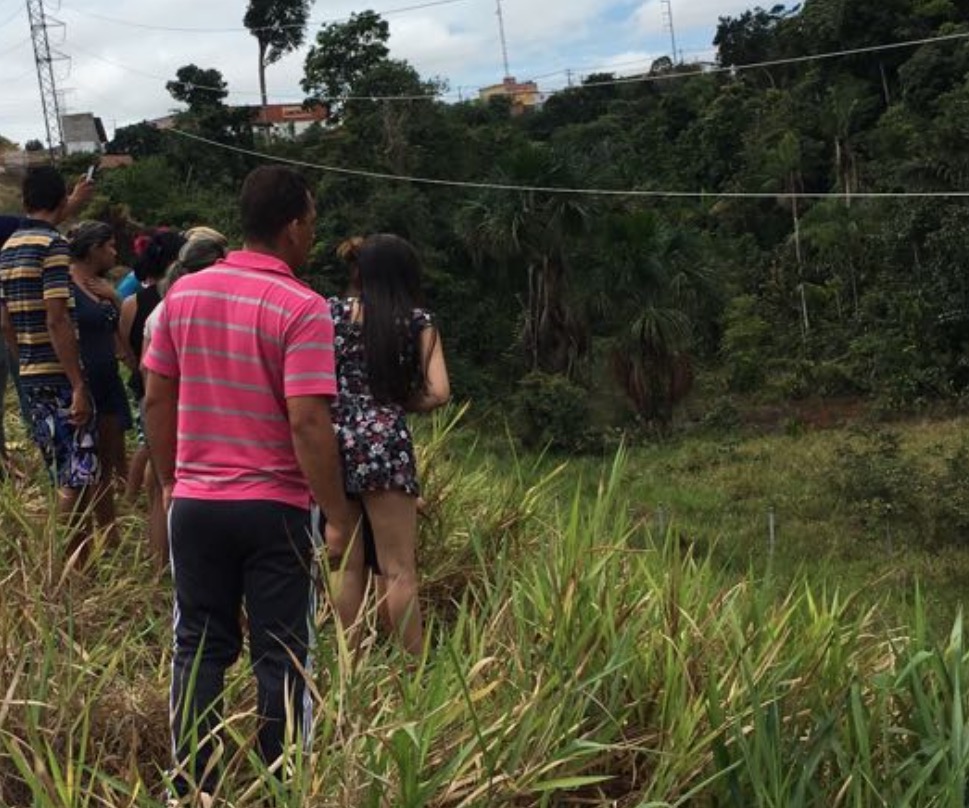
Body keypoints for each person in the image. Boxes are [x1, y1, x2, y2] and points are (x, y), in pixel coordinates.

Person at [143, 165, 354, 800]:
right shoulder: (303, 307)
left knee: (198, 647)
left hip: (198, 505)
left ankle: (194, 788)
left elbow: (156, 398)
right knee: (283, 654)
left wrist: (172, 480)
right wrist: (338, 514)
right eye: (311, 223)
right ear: (293, 226)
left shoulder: (183, 296)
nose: (312, 235)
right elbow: (308, 420)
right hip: (276, 510)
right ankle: (282, 786)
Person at [326, 233, 451, 655]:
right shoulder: (417, 320)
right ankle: (413, 672)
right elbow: (439, 392)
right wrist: (396, 404)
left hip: (333, 441)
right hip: (386, 443)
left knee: (346, 564)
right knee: (399, 570)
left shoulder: (329, 312)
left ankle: (350, 668)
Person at [0, 167, 99, 562]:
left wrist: (24, 359)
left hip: (30, 371)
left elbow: (5, 320)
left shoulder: (6, 249)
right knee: (75, 477)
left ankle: (80, 567)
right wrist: (77, 383)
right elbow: (56, 317)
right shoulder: (54, 246)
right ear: (62, 202)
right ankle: (58, 564)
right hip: (58, 373)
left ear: (25, 202)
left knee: (62, 469)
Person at [140, 230, 228, 570]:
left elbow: (149, 376)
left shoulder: (165, 308)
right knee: (170, 493)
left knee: (165, 494)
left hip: (175, 418)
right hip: (193, 425)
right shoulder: (187, 307)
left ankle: (162, 568)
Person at [68, 221, 134, 539]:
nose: (114, 251)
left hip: (108, 379)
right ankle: (79, 546)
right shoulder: (65, 284)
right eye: (109, 246)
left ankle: (109, 536)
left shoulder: (101, 286)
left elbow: (119, 335)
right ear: (93, 248)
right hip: (82, 383)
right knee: (82, 470)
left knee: (105, 465)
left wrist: (115, 299)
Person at [119, 229, 184, 504]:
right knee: (157, 453)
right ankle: (140, 495)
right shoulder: (176, 303)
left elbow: (124, 346)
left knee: (149, 443)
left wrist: (139, 370)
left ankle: (131, 497)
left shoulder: (132, 302)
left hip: (142, 384)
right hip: (168, 387)